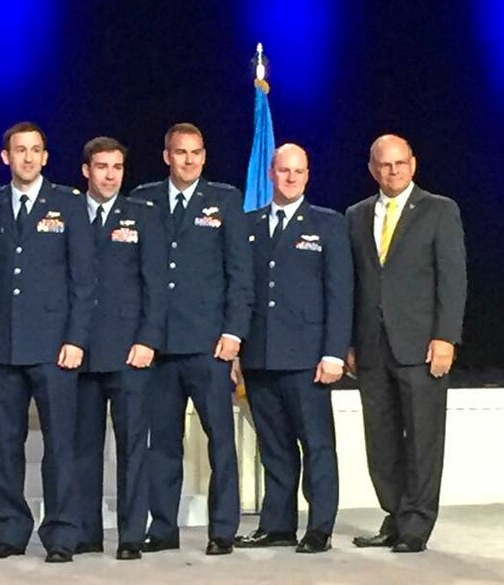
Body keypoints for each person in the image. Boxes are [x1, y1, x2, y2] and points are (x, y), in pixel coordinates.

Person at [0, 122, 95, 563]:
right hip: (3, 345)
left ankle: (62, 534)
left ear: (46, 157)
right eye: (19, 150)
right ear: (5, 157)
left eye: (36, 150)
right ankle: (9, 531)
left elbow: (84, 280)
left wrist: (76, 338)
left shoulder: (68, 204)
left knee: (60, 445)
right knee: (7, 444)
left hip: (54, 347)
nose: (28, 158)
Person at [131, 123, 253, 556]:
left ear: (205, 156)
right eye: (180, 153)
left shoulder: (224, 199)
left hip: (208, 344)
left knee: (220, 439)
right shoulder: (142, 199)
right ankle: (162, 527)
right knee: (161, 444)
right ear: (167, 156)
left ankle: (223, 529)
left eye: (196, 153)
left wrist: (234, 331)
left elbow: (240, 274)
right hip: (159, 346)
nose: (188, 160)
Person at [346, 134, 466, 553]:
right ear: (372, 168)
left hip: (421, 346)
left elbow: (453, 280)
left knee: (422, 439)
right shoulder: (357, 215)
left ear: (412, 165)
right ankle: (394, 515)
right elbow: (356, 285)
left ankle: (416, 525)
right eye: (384, 164)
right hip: (372, 347)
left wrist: (445, 337)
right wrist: (350, 342)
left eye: (399, 163)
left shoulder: (439, 210)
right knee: (380, 441)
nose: (392, 171)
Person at [234, 144, 353, 554]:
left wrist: (334, 353)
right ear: (271, 173)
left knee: (317, 445)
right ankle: (278, 524)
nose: (290, 178)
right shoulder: (249, 224)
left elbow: (340, 294)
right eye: (283, 170)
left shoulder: (327, 225)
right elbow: (243, 291)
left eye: (297, 171)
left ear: (307, 175)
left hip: (308, 358)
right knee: (275, 447)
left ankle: (319, 526)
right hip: (261, 356)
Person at [72, 137, 167, 561]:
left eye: (117, 167)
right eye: (102, 166)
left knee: (132, 448)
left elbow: (156, 286)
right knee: (83, 449)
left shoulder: (141, 216)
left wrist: (148, 339)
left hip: (130, 352)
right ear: (85, 170)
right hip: (79, 352)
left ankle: (131, 534)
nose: (110, 175)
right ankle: (86, 532)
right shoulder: (68, 213)